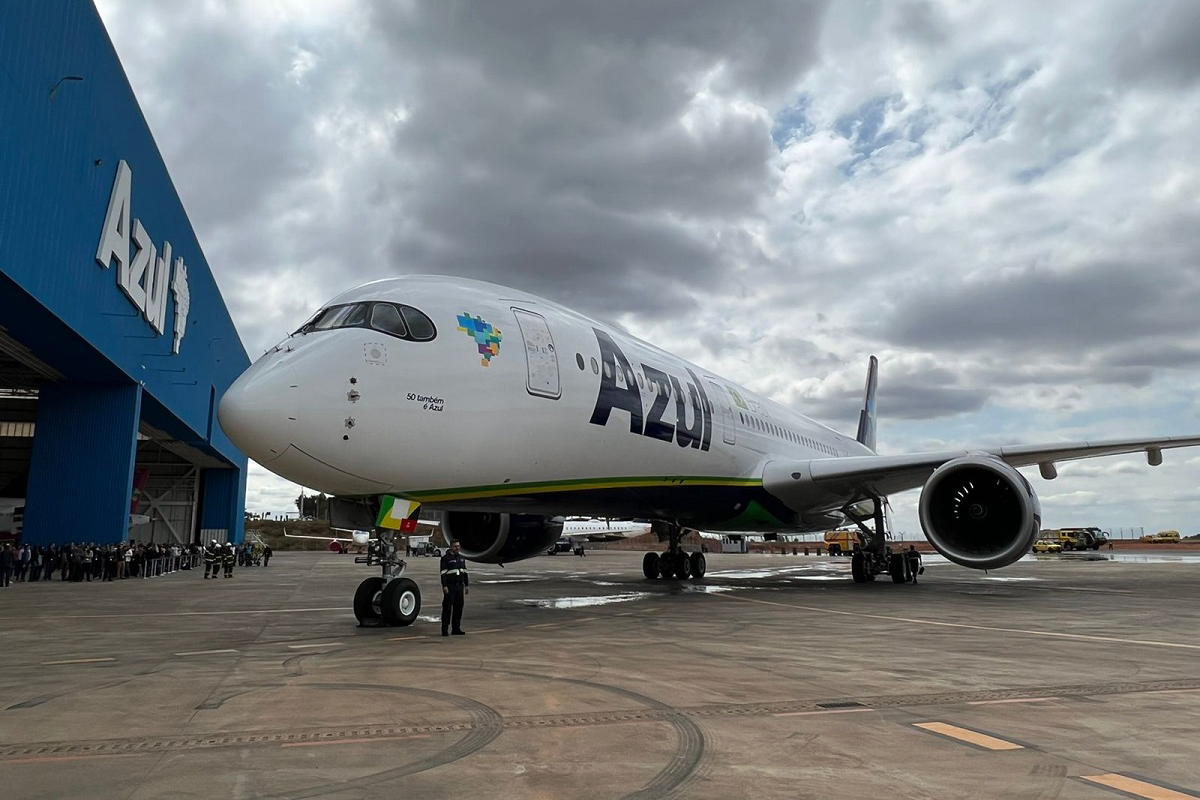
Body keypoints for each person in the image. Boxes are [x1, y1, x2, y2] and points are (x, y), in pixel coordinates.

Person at [439, 539, 469, 636]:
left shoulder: (461, 558)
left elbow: (464, 572)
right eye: (455, 546)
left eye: (458, 546)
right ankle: (444, 629)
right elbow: (443, 573)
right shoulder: (446, 558)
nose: (457, 548)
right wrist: (444, 586)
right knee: (447, 609)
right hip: (450, 587)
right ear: (451, 547)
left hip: (459, 586)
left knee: (458, 608)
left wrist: (466, 585)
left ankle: (456, 629)